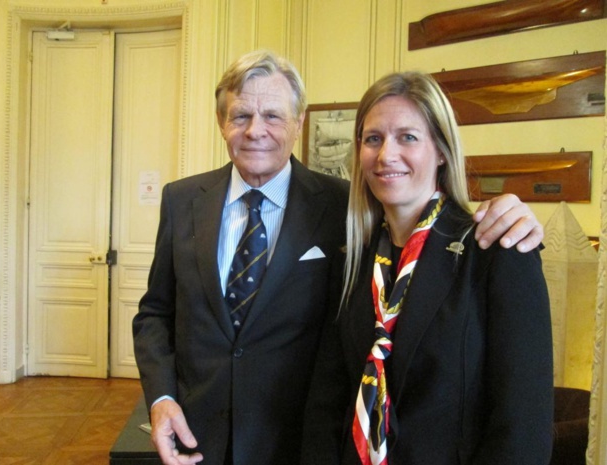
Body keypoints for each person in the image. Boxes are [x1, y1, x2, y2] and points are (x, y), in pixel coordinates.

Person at [132, 50, 545, 465]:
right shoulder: (361, 244)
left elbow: (521, 421)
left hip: (289, 443)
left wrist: (513, 212)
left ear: (298, 123)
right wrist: (161, 397)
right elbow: (156, 311)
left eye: (273, 115)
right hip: (200, 437)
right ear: (222, 123)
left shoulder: (339, 212)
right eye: (241, 116)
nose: (256, 130)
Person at [300, 71, 554, 465]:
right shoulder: (352, 260)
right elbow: (327, 402)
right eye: (373, 139)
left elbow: (522, 426)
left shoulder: (498, 248)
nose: (386, 155)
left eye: (408, 137)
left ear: (440, 150)